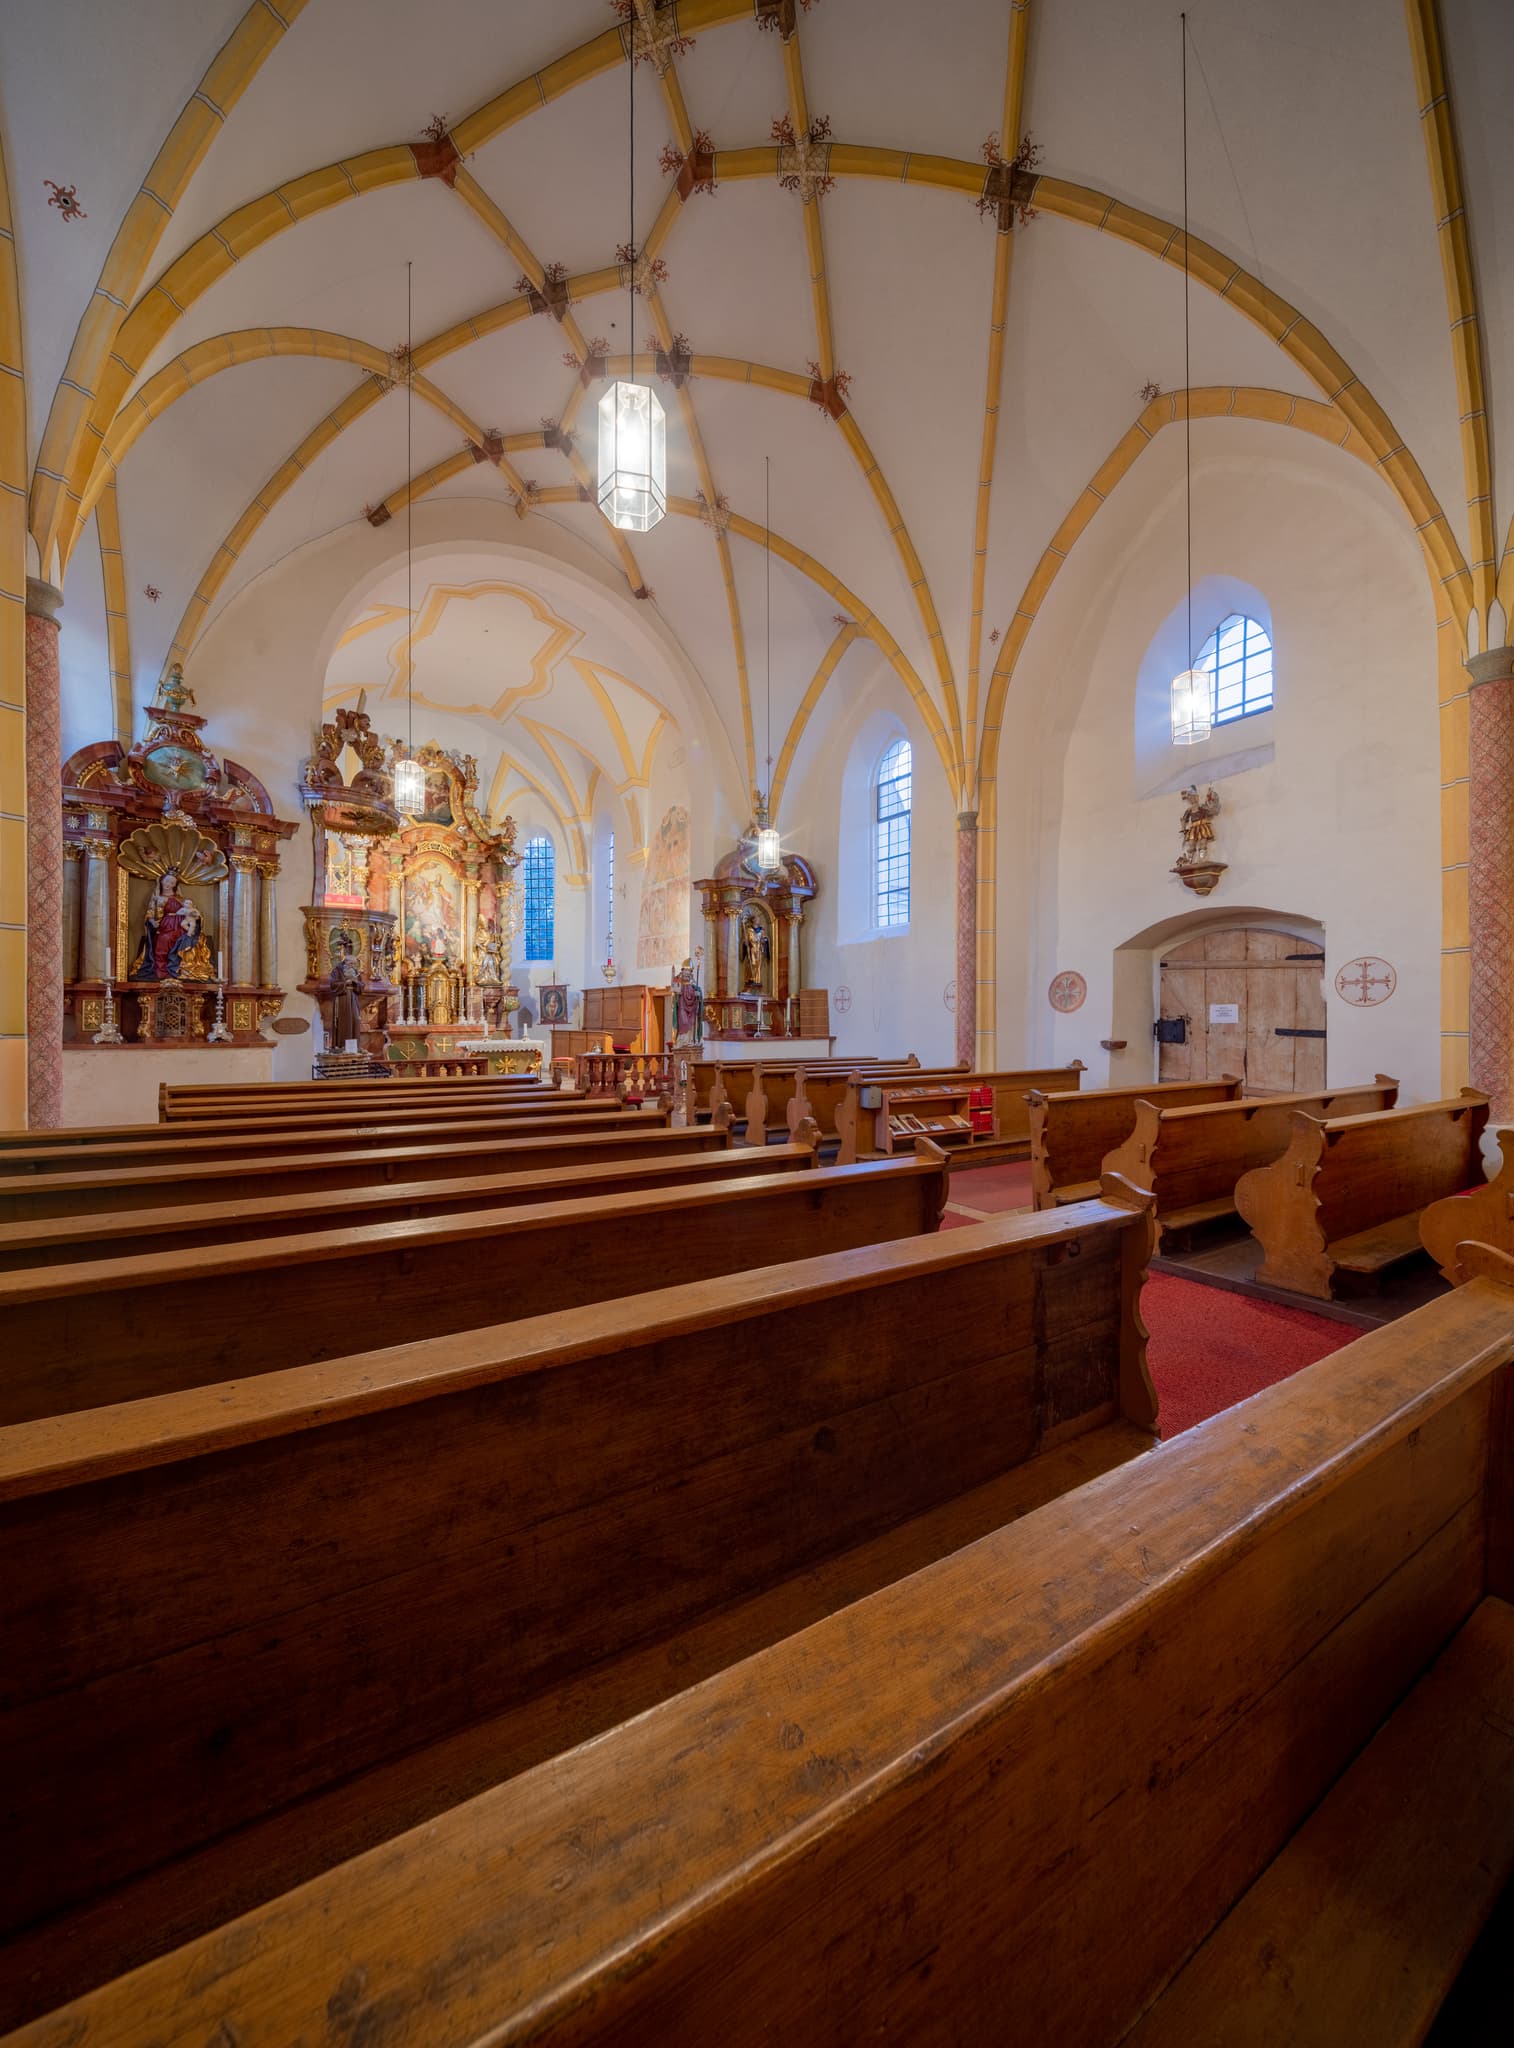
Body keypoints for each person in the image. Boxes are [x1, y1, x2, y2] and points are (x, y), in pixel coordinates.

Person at [131, 870, 193, 981]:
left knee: (176, 938)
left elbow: (190, 911)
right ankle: (162, 968)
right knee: (163, 939)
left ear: (175, 886)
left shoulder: (180, 899)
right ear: (161, 881)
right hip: (165, 926)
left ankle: (175, 967)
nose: (169, 884)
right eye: (167, 881)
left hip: (180, 926)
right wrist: (152, 921)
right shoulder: (157, 898)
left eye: (172, 883)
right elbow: (150, 913)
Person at [328, 935, 364, 1049]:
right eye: (350, 963)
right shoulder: (337, 970)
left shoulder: (355, 972)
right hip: (342, 999)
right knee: (344, 1023)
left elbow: (362, 985)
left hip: (353, 999)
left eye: (353, 964)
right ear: (346, 962)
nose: (352, 966)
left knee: (355, 1019)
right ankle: (342, 1046)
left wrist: (355, 983)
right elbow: (333, 985)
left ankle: (353, 1048)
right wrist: (345, 983)